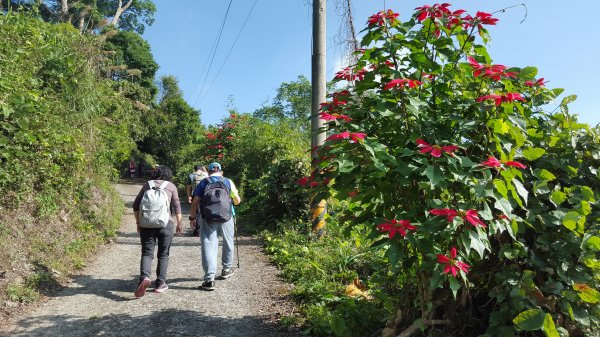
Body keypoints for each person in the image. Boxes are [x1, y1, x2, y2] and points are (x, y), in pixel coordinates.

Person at [132, 165, 183, 297]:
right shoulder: (171, 186)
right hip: (166, 224)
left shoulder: (147, 185)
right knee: (163, 254)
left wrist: (138, 222)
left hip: (147, 224)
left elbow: (135, 205)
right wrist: (179, 223)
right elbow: (176, 205)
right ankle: (160, 284)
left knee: (147, 253)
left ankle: (144, 278)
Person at [190, 162, 241, 291]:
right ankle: (226, 269)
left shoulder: (204, 182)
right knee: (228, 241)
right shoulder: (228, 181)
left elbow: (195, 201)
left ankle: (209, 279)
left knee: (208, 243)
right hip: (227, 217)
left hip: (208, 217)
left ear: (209, 171)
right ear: (221, 172)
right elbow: (237, 201)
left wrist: (192, 218)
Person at [187, 165, 208, 237]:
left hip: (195, 195)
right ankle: (204, 229)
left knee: (196, 212)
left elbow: (188, 188)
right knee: (204, 211)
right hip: (205, 196)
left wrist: (189, 196)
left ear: (194, 169)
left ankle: (197, 230)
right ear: (201, 168)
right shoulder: (205, 175)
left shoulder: (191, 175)